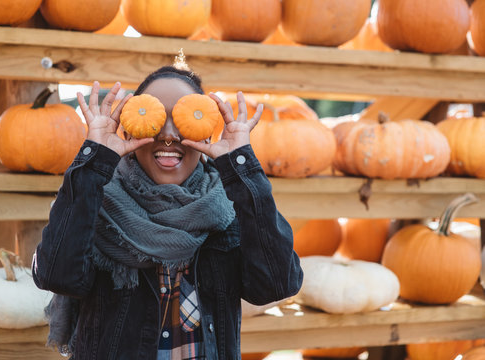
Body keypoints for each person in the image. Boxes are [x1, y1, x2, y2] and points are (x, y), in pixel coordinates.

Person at [32, 61, 303, 359]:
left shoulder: (230, 207)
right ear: (131, 125)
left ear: (205, 131)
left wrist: (240, 167)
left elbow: (278, 283)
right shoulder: (93, 199)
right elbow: (56, 276)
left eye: (183, 118)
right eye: (156, 117)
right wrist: (94, 161)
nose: (169, 134)